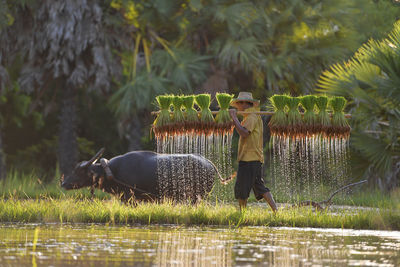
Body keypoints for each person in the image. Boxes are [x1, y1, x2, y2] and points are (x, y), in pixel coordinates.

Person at [229, 92, 278, 212]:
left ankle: (242, 214)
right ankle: (276, 211)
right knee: (259, 187)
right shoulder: (251, 116)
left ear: (246, 104)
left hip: (249, 158)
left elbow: (245, 133)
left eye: (240, 103)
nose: (238, 106)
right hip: (254, 157)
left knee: (241, 188)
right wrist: (236, 122)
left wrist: (234, 118)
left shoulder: (251, 117)